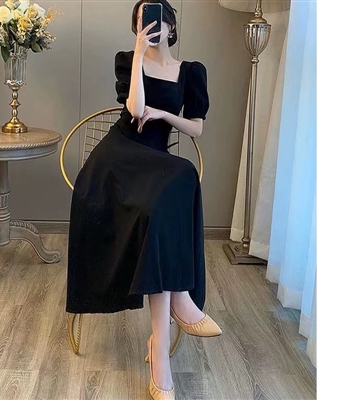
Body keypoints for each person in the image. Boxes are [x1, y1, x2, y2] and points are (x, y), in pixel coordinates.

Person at [66, 1, 222, 398]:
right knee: (163, 205)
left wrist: (164, 115)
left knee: (179, 181)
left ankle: (161, 345)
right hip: (119, 156)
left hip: (156, 161)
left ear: (171, 26)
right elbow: (134, 109)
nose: (148, 28)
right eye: (140, 23)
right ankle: (177, 310)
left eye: (154, 21)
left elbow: (196, 129)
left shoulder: (191, 71)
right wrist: (138, 55)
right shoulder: (127, 60)